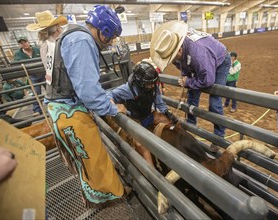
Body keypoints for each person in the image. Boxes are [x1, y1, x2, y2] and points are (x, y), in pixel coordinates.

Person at [26, 6, 126, 207]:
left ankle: (93, 195)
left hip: (60, 108)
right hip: (70, 111)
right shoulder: (82, 40)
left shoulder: (70, 36)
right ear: (104, 31)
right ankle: (110, 199)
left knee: (84, 159)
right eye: (112, 36)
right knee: (95, 159)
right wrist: (114, 109)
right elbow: (88, 90)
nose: (112, 41)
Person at [150, 21, 231, 138]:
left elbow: (208, 80)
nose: (172, 61)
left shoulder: (198, 53)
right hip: (199, 60)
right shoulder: (176, 47)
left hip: (220, 62)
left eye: (173, 58)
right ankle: (191, 125)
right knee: (192, 94)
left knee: (215, 100)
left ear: (178, 50)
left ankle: (219, 136)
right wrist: (185, 76)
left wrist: (188, 81)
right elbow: (182, 63)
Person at [108, 60, 178, 128]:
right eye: (149, 84)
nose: (153, 86)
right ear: (140, 82)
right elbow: (110, 94)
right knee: (137, 138)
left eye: (153, 83)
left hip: (148, 116)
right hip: (134, 121)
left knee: (168, 121)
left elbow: (159, 103)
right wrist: (112, 102)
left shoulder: (153, 86)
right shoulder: (129, 89)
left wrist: (167, 112)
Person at [14, 35, 44, 114]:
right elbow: (17, 64)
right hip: (33, 76)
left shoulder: (37, 49)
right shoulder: (18, 54)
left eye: (25, 42)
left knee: (51, 89)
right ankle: (37, 110)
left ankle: (57, 104)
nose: (24, 44)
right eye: (21, 43)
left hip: (43, 74)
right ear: (19, 45)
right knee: (36, 93)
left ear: (28, 42)